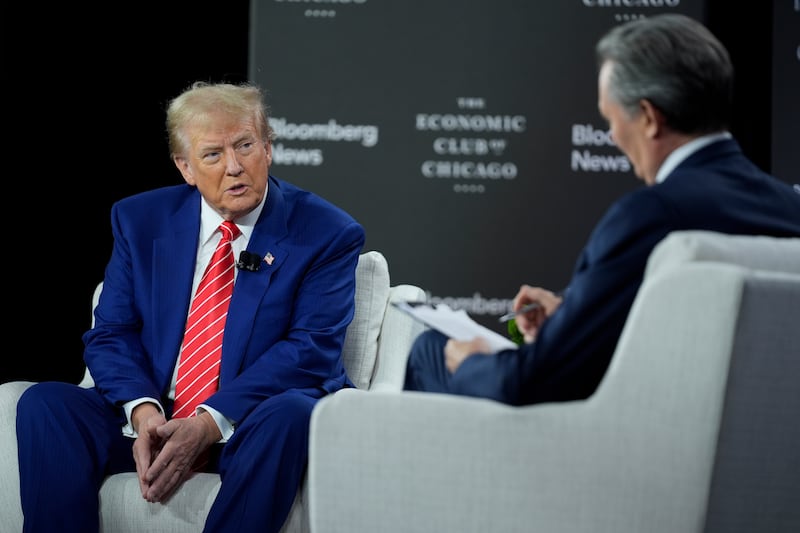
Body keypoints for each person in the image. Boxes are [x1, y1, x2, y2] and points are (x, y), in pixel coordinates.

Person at [16, 81, 365, 532]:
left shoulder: (326, 233)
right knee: (47, 404)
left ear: (268, 149)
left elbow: (311, 349)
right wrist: (145, 414)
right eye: (213, 154)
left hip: (248, 424)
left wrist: (208, 422)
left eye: (245, 146)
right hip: (155, 421)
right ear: (186, 167)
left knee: (292, 414)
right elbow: (111, 333)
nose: (235, 167)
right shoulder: (140, 220)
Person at [404, 13, 800, 405]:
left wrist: (472, 363)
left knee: (432, 351)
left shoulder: (653, 214)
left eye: (611, 119)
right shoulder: (790, 208)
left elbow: (535, 383)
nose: (610, 135)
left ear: (648, 118)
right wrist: (570, 318)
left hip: (612, 445)